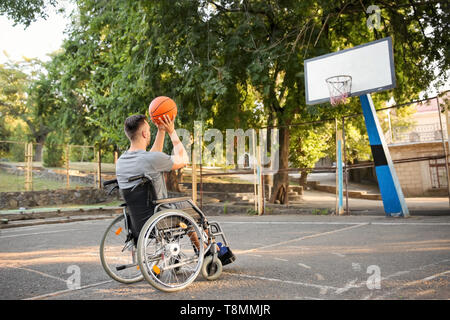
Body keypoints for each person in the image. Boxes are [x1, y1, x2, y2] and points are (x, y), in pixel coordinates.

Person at [115, 113, 235, 265]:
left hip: (139, 221)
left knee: (183, 209)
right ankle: (207, 249)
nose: (150, 133)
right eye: (149, 131)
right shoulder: (150, 160)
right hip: (161, 215)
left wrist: (161, 130)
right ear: (145, 133)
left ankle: (203, 247)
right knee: (190, 208)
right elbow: (183, 159)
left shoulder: (121, 162)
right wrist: (172, 132)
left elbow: (153, 156)